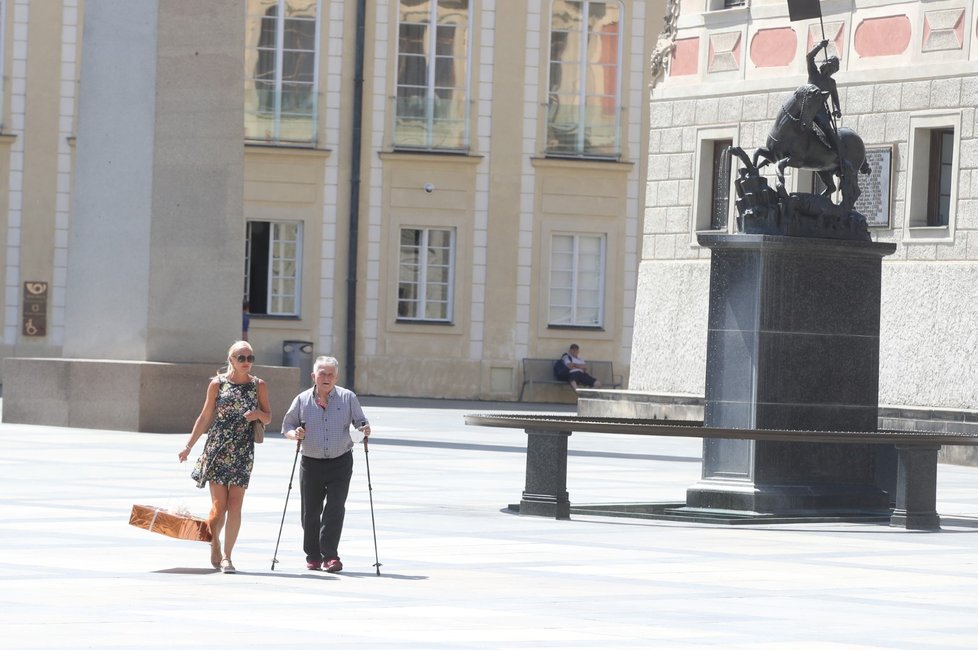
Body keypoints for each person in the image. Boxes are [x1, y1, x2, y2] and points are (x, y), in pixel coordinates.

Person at [178, 341, 271, 574]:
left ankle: (228, 557)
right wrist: (188, 446)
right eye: (241, 358)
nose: (247, 362)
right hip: (218, 449)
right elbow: (205, 415)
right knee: (219, 508)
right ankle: (215, 543)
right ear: (231, 359)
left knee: (235, 504)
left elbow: (268, 417)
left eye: (250, 358)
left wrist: (257, 414)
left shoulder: (258, 385)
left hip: (242, 450)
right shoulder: (217, 384)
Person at [282, 355, 370, 573]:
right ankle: (312, 554)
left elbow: (361, 421)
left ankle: (330, 555)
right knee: (310, 511)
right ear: (314, 376)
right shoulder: (302, 400)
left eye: (331, 374)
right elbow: (287, 425)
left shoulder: (348, 397)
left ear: (336, 377)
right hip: (311, 461)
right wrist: (295, 434)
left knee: (335, 508)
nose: (327, 378)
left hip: (341, 460)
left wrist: (365, 429)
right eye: (322, 373)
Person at [806, 39, 844, 171]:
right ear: (825, 64)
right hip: (807, 107)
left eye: (833, 69)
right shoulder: (814, 73)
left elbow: (835, 100)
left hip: (820, 111)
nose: (830, 71)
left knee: (828, 131)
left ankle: (838, 155)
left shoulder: (831, 83)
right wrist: (820, 47)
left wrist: (837, 110)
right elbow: (809, 57)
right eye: (830, 66)